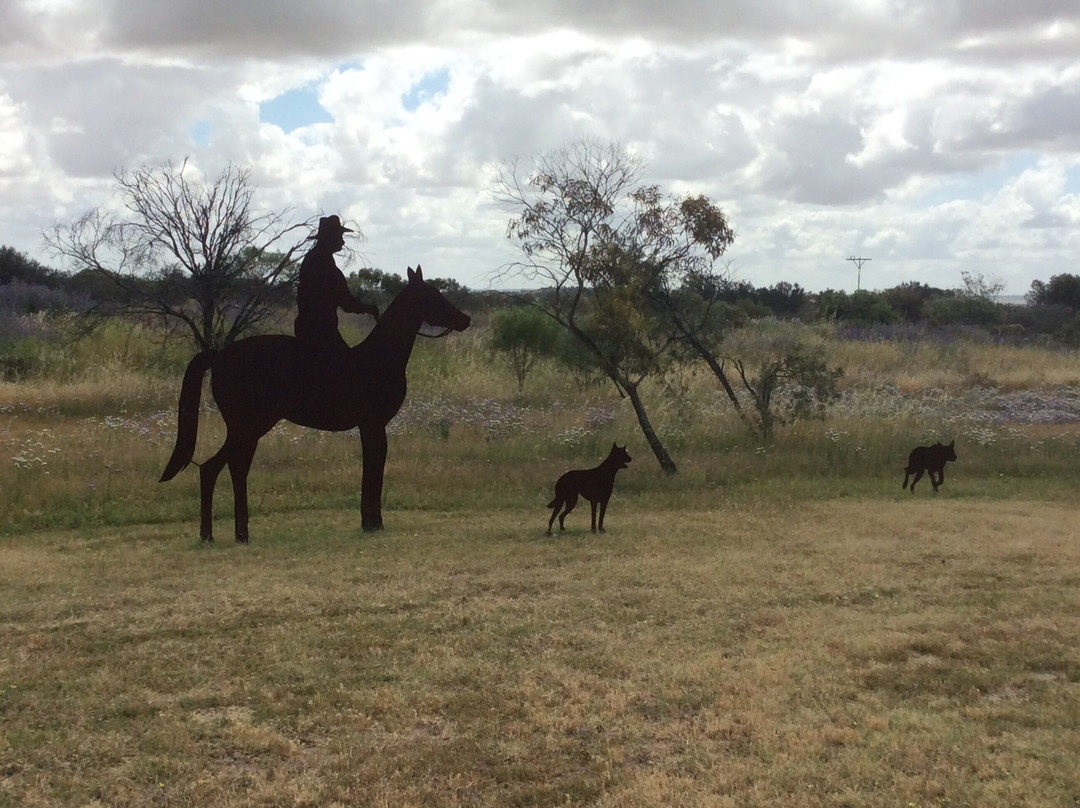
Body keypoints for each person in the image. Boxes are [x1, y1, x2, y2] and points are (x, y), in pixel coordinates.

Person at [294, 215, 378, 352]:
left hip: (306, 327)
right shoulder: (326, 266)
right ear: (330, 238)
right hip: (321, 331)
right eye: (339, 236)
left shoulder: (312, 259)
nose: (342, 242)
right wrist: (369, 308)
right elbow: (346, 302)